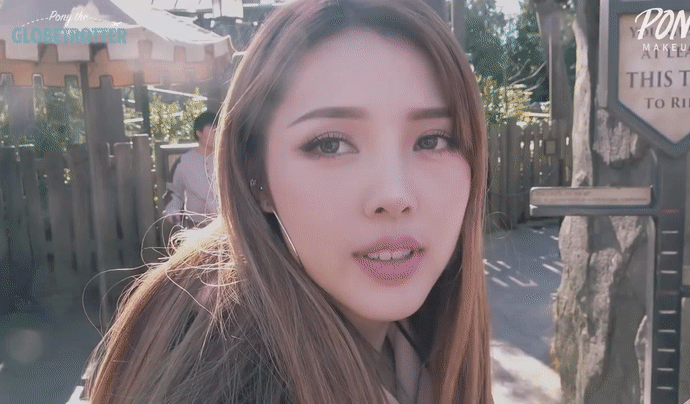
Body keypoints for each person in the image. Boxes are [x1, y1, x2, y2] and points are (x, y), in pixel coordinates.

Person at [86, 0, 492, 403]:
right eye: (330, 145)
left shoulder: (426, 348)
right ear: (257, 177)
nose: (394, 195)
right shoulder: (220, 386)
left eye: (433, 140)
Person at [162, 110, 219, 228]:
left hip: (227, 225)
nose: (217, 133)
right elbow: (174, 192)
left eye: (219, 129)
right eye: (213, 129)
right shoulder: (184, 162)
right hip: (196, 227)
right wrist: (173, 211)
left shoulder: (229, 160)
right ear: (199, 133)